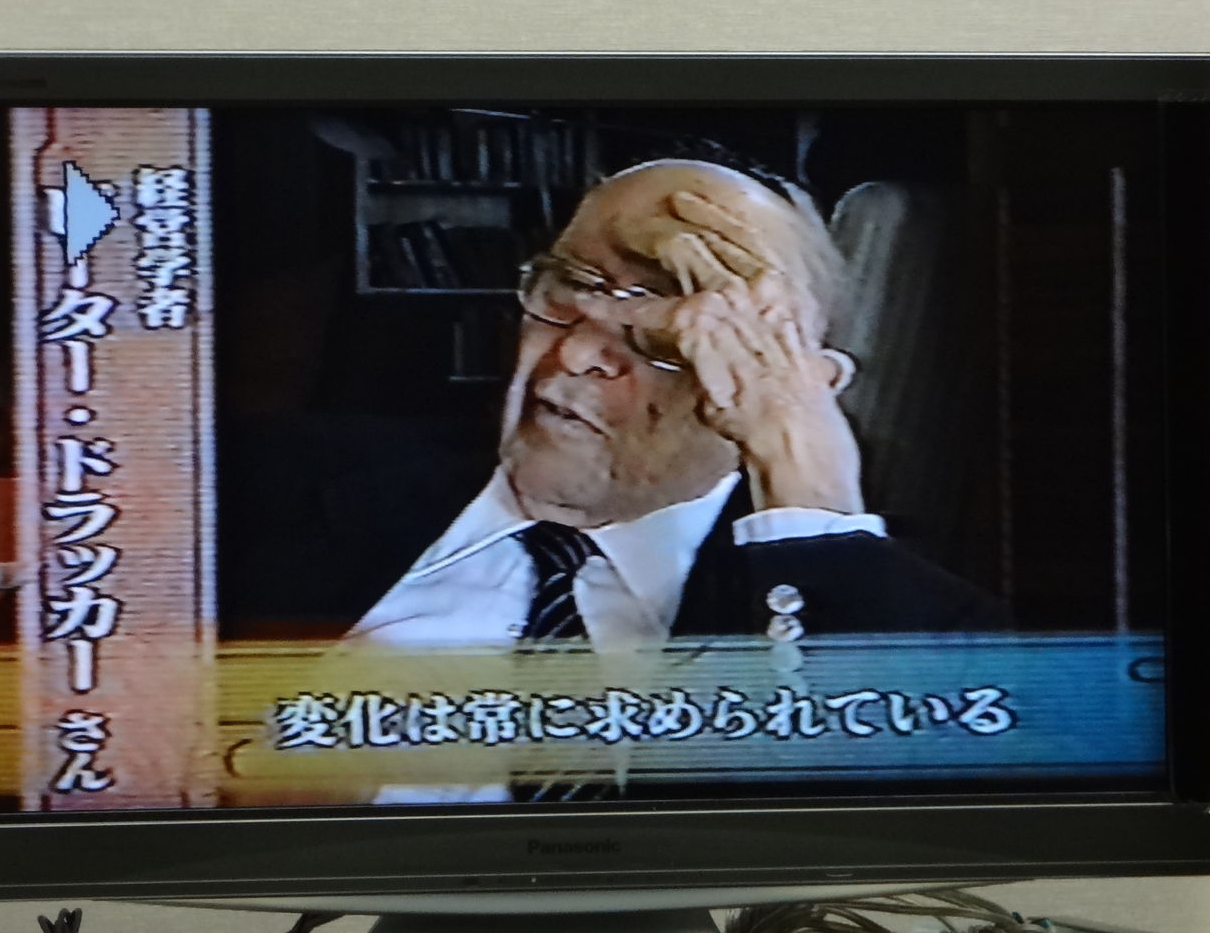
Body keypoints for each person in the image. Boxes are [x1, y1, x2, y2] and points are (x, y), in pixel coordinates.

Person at [338, 158, 1005, 656]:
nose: (576, 353)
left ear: (794, 384)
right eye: (570, 284)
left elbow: (868, 793)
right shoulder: (294, 482)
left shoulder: (932, 633)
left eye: (668, 333)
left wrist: (805, 479)